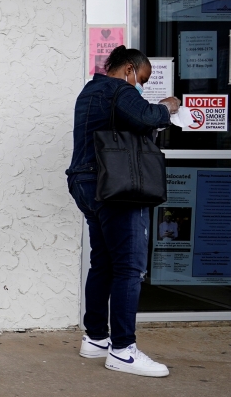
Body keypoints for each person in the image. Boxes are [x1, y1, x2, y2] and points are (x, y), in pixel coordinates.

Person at [66, 45, 180, 377]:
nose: (139, 85)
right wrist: (167, 107)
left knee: (103, 262)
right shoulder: (118, 88)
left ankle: (97, 338)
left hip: (87, 184)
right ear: (129, 69)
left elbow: (127, 127)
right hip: (115, 187)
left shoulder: (91, 91)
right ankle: (123, 350)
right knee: (129, 268)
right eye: (140, 79)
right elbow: (146, 117)